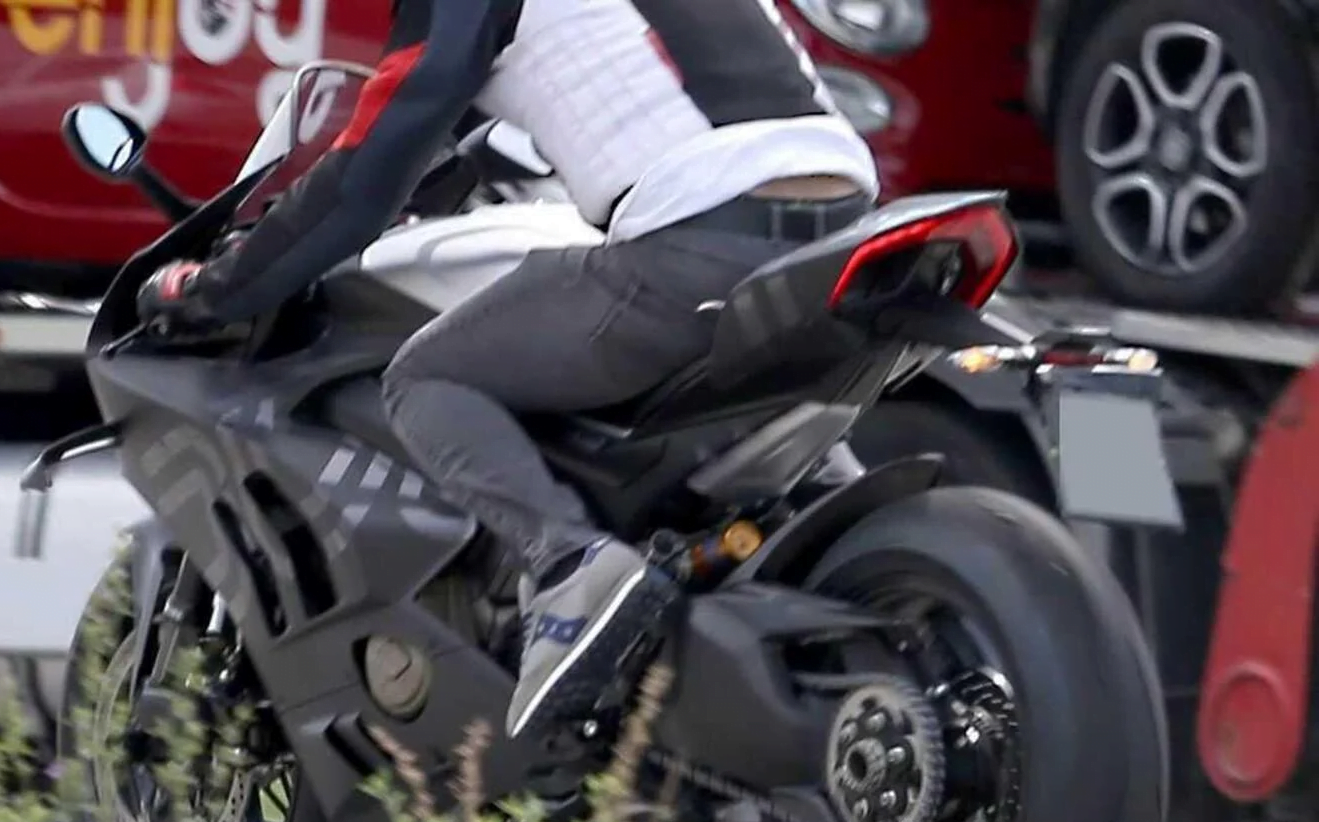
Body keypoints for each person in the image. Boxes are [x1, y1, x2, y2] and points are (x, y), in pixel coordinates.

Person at [134, 0, 880, 741]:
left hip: (707, 234)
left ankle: (570, 569)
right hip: (844, 226)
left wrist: (215, 289)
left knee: (428, 378)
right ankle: (851, 539)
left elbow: (364, 176)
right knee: (767, 424)